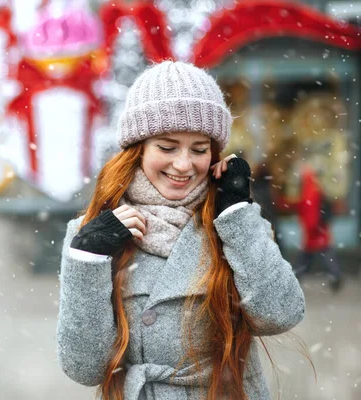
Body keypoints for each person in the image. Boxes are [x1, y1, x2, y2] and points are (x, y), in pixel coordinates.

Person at [56, 61, 305, 400]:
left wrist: (235, 212)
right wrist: (87, 260)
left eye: (199, 149)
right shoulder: (93, 233)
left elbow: (281, 314)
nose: (184, 164)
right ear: (138, 149)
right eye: (167, 147)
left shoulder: (233, 221)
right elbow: (85, 368)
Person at [293, 165, 342, 292]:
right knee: (324, 253)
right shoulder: (316, 190)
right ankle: (335, 275)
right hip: (320, 229)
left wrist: (310, 227)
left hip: (314, 230)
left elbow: (309, 213)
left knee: (306, 256)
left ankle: (295, 277)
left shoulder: (309, 192)